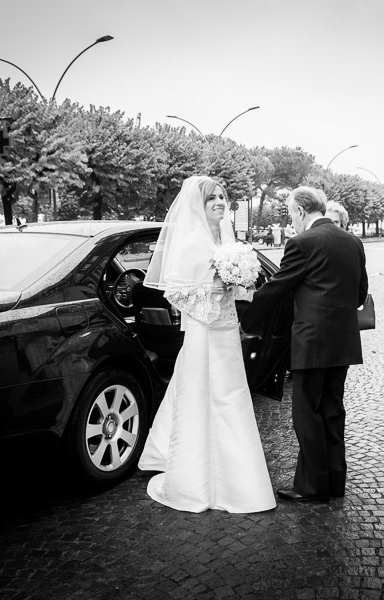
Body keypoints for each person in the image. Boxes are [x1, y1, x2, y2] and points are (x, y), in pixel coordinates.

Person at [138, 175, 276, 514]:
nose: (218, 203)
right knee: (200, 400)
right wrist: (214, 286)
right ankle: (193, 479)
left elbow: (240, 291)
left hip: (227, 332)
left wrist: (238, 283)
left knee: (232, 399)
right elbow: (175, 293)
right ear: (198, 206)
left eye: (222, 198)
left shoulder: (228, 241)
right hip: (203, 333)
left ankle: (240, 478)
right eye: (211, 198)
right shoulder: (189, 243)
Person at [240, 186, 369, 503]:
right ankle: (334, 482)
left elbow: (277, 287)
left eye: (290, 213)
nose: (291, 220)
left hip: (312, 342)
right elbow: (359, 295)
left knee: (306, 414)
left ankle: (311, 487)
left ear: (299, 210)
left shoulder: (302, 243)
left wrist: (247, 319)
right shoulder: (353, 242)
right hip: (343, 343)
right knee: (332, 411)